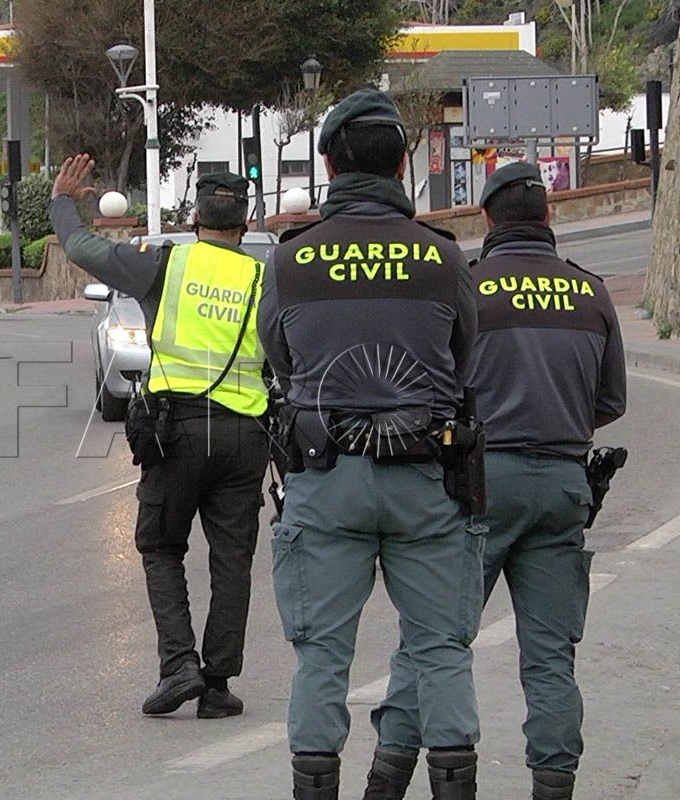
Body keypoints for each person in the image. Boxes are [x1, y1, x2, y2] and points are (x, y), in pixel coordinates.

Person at [364, 162, 627, 800]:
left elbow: (427, 387)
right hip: (564, 486)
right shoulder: (591, 294)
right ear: (548, 217)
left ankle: (388, 777)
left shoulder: (469, 287)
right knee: (550, 655)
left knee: (433, 640)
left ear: (487, 219)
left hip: (476, 486)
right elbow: (609, 401)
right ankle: (553, 784)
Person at [255, 88, 482, 799]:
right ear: (403, 163)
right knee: (442, 649)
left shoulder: (291, 261)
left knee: (321, 655)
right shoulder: (443, 258)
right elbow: (466, 357)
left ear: (328, 161)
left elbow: (281, 363)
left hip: (326, 478)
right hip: (425, 479)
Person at [49, 156, 270, 719]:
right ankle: (217, 686)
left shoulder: (165, 265)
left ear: (196, 217)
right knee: (232, 559)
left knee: (161, 547)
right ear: (244, 226)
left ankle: (179, 666)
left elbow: (82, 250)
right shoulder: (263, 279)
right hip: (246, 435)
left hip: (178, 431)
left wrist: (63, 203)